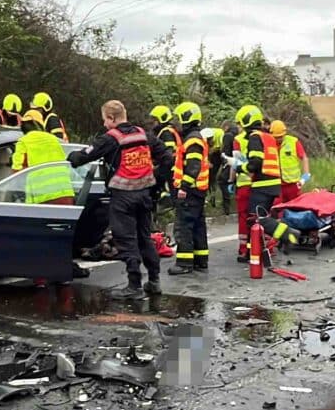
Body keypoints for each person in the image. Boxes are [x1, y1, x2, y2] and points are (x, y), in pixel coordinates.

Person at [68, 100, 173, 299]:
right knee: (145, 238)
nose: (104, 124)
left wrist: (70, 156)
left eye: (105, 120)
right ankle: (154, 281)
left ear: (112, 118)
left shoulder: (110, 138)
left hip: (123, 198)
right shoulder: (144, 135)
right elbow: (168, 158)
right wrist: (155, 181)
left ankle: (134, 285)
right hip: (144, 196)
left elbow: (79, 158)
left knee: (126, 239)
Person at [169, 102, 210, 275]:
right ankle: (200, 260)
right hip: (197, 190)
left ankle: (184, 263)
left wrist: (184, 186)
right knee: (198, 226)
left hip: (190, 190)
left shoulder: (192, 139)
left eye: (179, 119)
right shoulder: (194, 137)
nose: (177, 123)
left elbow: (193, 166)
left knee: (184, 226)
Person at [238, 106, 281, 255]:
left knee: (253, 220)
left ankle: (284, 235)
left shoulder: (255, 137)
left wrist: (239, 167)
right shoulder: (268, 136)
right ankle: (261, 250)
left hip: (262, 185)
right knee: (262, 218)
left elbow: (255, 163)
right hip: (273, 184)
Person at [12, 111, 76, 204]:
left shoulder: (23, 142)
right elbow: (65, 163)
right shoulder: (53, 139)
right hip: (65, 193)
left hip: (42, 197)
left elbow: (16, 170)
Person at [230, 106, 256, 261]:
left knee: (244, 217)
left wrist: (230, 180)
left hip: (244, 184)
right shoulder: (264, 138)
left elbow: (236, 163)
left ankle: (244, 249)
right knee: (258, 216)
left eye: (239, 124)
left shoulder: (238, 140)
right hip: (261, 184)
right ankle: (261, 247)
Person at [270, 120, 311, 203]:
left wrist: (306, 174)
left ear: (285, 133)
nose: (278, 139)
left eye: (280, 136)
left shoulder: (293, 142)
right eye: (276, 137)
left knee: (295, 206)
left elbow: (304, 158)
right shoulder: (269, 144)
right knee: (277, 207)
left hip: (293, 184)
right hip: (276, 184)